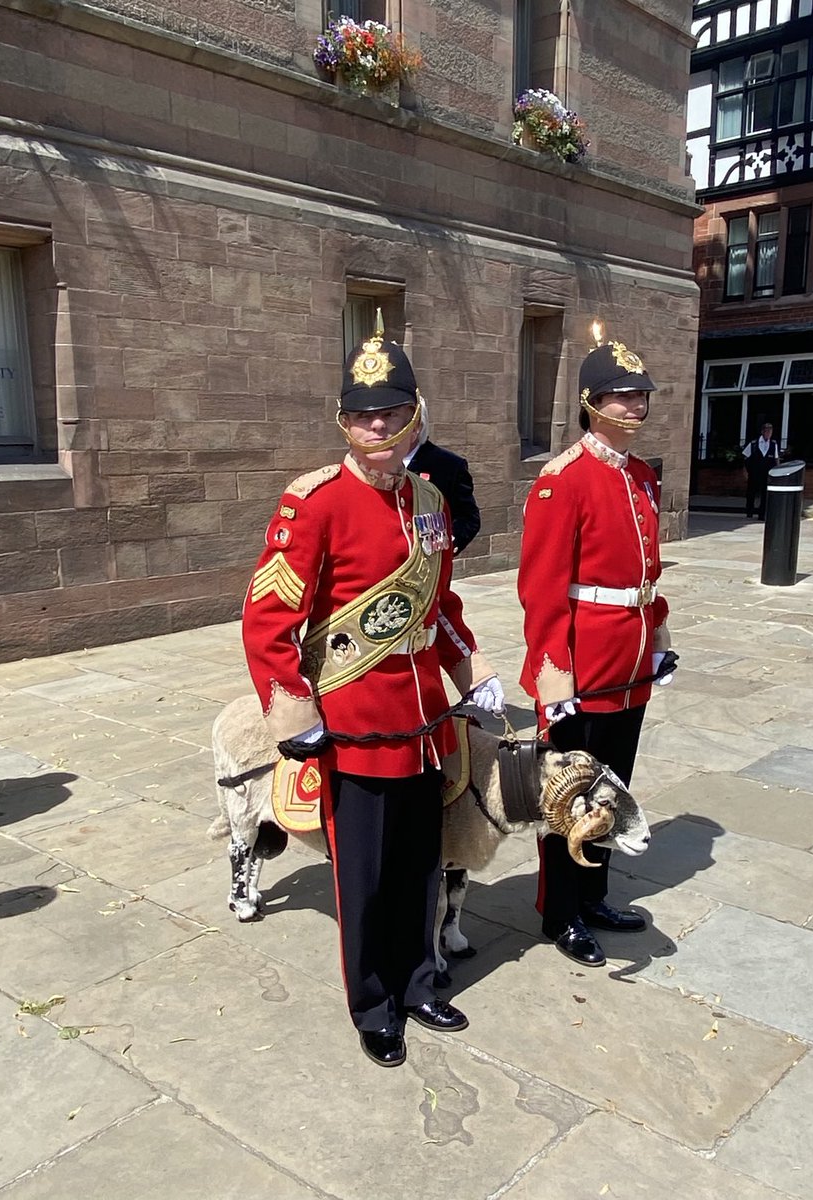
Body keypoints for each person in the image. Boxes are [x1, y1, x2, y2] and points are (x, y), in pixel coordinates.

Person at [241, 316, 504, 1067]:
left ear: (413, 413)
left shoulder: (428, 500)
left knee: (422, 864)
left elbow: (439, 605)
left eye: (388, 411)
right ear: (343, 422)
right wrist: (291, 704)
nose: (375, 425)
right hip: (354, 719)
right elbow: (269, 617)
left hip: (424, 717)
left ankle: (420, 981)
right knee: (364, 876)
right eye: (360, 414)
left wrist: (470, 672)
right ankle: (374, 1002)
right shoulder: (313, 502)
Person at [516, 329, 675, 968]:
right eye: (622, 397)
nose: (635, 407)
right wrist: (554, 680)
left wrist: (657, 638)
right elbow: (543, 589)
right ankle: (560, 912)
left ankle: (596, 892)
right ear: (591, 403)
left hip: (629, 658)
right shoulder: (563, 480)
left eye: (641, 396)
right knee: (570, 793)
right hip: (581, 663)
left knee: (613, 785)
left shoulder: (639, 475)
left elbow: (643, 576)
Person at [405, 398, 482, 553]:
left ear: (418, 425)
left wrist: (447, 547)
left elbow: (468, 518)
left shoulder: (449, 465)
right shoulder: (372, 463)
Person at [742, 422, 780, 519]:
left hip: (766, 473)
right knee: (751, 492)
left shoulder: (773, 444)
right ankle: (749, 511)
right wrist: (745, 471)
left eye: (770, 432)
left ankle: (761, 514)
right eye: (767, 431)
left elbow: (776, 459)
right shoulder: (753, 444)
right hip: (754, 472)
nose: (768, 434)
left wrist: (777, 471)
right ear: (762, 432)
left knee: (765, 493)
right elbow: (745, 457)